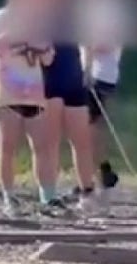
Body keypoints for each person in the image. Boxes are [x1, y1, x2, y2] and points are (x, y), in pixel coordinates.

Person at [0, 0, 58, 218]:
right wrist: (9, 37)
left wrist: (41, 46)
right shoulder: (0, 18)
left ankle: (48, 198)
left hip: (34, 91)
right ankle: (9, 198)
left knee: (42, 146)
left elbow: (49, 59)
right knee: (8, 146)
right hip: (6, 92)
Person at [43, 42, 100, 215]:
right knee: (51, 142)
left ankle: (87, 193)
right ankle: (49, 196)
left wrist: (88, 70)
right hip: (50, 78)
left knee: (82, 141)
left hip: (75, 78)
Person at [82, 43, 123, 191]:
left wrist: (86, 68)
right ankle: (101, 172)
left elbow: (99, 44)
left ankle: (93, 176)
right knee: (92, 129)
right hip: (102, 77)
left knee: (87, 130)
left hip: (97, 78)